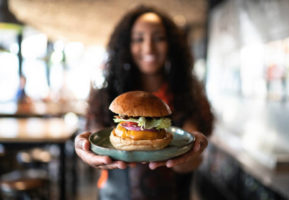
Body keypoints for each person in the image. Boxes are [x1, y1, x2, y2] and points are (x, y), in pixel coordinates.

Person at [75, 5, 214, 200]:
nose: (149, 47)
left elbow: (192, 152)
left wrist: (190, 153)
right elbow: (95, 136)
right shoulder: (107, 93)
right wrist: (83, 146)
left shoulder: (188, 93)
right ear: (126, 45)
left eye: (159, 38)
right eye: (138, 39)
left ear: (171, 44)